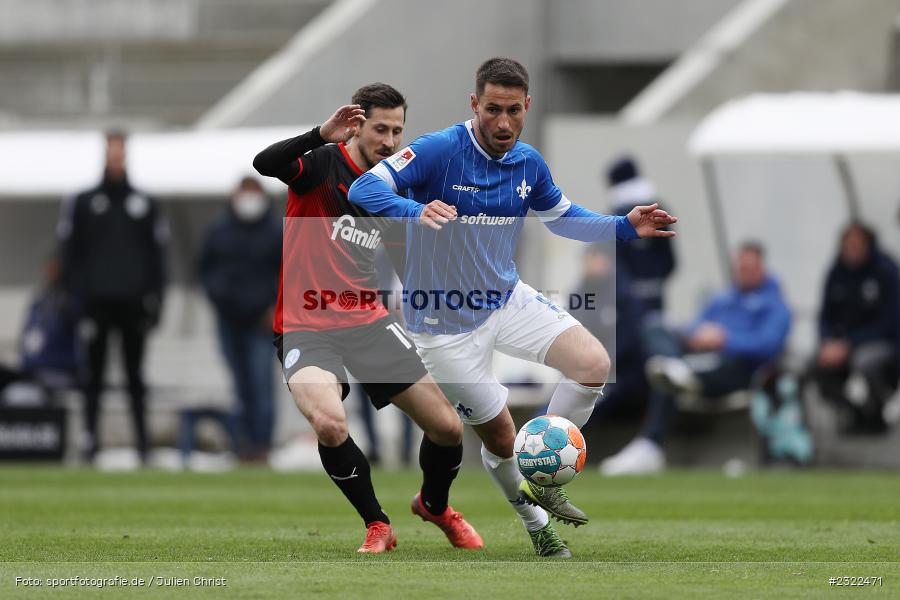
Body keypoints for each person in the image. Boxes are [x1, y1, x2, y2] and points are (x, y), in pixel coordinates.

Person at [347, 58, 676, 557]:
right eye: (493, 110)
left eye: (514, 111)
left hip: (506, 297)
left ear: (528, 107)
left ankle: (542, 472)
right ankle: (536, 522)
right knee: (500, 436)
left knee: (593, 364)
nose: (503, 123)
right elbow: (363, 187)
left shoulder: (528, 162)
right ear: (474, 104)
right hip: (441, 324)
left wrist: (625, 226)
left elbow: (563, 218)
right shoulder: (438, 150)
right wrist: (417, 210)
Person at [252, 83, 482, 554]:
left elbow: (404, 258)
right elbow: (265, 164)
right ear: (357, 125)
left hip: (367, 319)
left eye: (398, 130)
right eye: (381, 129)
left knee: (448, 427)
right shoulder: (321, 164)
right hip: (306, 321)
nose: (391, 141)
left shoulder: (395, 184)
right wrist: (319, 134)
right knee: (331, 424)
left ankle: (435, 505)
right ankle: (377, 523)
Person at [601, 242, 791, 475]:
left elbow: (768, 345)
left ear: (762, 267)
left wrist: (725, 339)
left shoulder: (775, 305)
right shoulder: (722, 300)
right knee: (655, 326)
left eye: (750, 267)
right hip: (698, 359)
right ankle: (676, 368)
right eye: (741, 267)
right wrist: (700, 335)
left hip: (737, 369)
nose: (745, 272)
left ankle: (650, 444)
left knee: (668, 373)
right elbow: (695, 327)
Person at [58, 130, 167, 463]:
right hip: (96, 304)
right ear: (105, 154)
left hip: (133, 305)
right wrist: (74, 301)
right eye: (111, 152)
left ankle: (142, 446)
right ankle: (90, 442)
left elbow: (157, 256)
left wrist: (156, 301)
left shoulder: (144, 203)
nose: (116, 158)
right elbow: (69, 255)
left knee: (135, 378)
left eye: (121, 152)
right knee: (93, 377)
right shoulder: (83, 202)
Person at [199, 176, 282, 460]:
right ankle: (244, 444)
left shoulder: (273, 231)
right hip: (228, 320)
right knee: (240, 386)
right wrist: (218, 299)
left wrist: (274, 307)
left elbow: (288, 273)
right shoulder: (219, 230)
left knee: (261, 386)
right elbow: (205, 270)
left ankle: (262, 444)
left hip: (261, 321)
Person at [810, 223, 899, 433]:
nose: (852, 248)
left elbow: (891, 323)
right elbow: (824, 316)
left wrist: (849, 344)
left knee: (865, 362)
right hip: (841, 344)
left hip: (881, 343)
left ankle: (877, 414)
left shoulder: (886, 272)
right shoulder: (835, 272)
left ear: (869, 245)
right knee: (814, 365)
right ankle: (853, 412)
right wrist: (827, 342)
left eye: (857, 244)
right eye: (847, 244)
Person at [605, 156, 676, 321]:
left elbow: (613, 258)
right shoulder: (659, 210)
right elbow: (670, 260)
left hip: (626, 299)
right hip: (656, 295)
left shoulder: (617, 215)